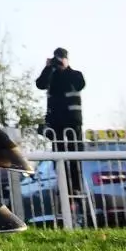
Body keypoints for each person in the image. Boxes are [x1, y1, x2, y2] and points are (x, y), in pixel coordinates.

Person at [36, 47, 85, 192]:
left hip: (72, 124)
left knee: (74, 156)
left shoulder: (75, 75)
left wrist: (66, 68)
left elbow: (80, 84)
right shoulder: (52, 76)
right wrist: (47, 68)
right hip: (56, 124)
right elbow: (40, 84)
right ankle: (63, 188)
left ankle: (76, 188)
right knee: (58, 158)